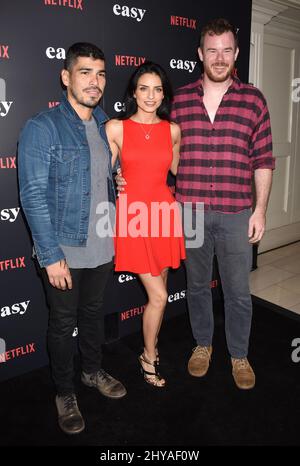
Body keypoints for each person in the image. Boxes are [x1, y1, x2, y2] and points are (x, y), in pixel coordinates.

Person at [117, 19, 275, 390]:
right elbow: (149, 145)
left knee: (237, 291)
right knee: (198, 286)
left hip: (237, 211)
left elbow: (264, 159)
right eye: (212, 50)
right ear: (200, 55)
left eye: (227, 50)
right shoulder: (181, 101)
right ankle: (202, 345)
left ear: (236, 54)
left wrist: (261, 209)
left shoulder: (254, 99)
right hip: (189, 213)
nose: (219, 58)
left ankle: (239, 354)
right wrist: (120, 175)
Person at [18, 42, 126, 435]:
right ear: (66, 77)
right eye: (85, 72)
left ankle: (92, 372)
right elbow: (31, 194)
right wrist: (49, 255)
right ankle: (64, 390)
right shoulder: (41, 127)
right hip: (63, 249)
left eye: (100, 74)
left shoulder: (105, 125)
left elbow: (99, 180)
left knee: (93, 315)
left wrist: (117, 182)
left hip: (102, 243)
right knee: (63, 325)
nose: (94, 82)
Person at [106, 61, 186, 388]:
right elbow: (101, 174)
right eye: (144, 88)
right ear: (133, 92)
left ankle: (149, 349)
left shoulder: (173, 130)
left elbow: (181, 173)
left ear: (164, 93)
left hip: (164, 215)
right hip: (134, 218)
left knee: (160, 292)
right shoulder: (115, 128)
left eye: (157, 89)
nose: (150, 96)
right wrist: (114, 177)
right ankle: (148, 357)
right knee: (159, 297)